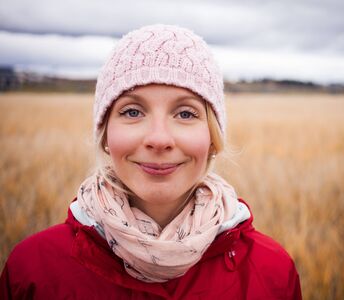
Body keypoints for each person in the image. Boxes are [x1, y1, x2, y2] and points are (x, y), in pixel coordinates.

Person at [0, 24, 302, 299]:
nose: (159, 139)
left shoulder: (272, 273)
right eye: (132, 112)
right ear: (105, 134)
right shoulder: (33, 272)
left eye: (185, 113)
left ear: (212, 138)